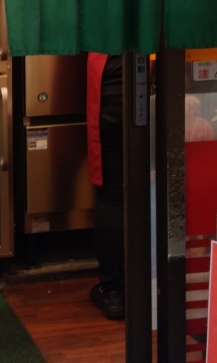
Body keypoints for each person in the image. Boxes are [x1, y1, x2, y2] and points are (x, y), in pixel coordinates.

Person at [86, 52, 124, 320]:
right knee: (169, 182)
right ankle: (161, 284)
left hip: (114, 72)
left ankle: (114, 292)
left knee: (112, 194)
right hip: (169, 63)